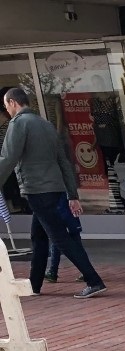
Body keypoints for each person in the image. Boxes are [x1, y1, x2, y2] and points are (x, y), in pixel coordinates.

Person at [0, 88, 106, 299]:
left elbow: (8, 158)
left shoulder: (19, 124)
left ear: (12, 103)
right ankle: (34, 285)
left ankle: (94, 280)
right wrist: (72, 194)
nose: (6, 110)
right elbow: (64, 162)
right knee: (38, 237)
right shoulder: (46, 125)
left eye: (5, 105)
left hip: (37, 188)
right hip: (54, 188)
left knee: (59, 237)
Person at [44, 194, 82, 284]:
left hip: (66, 209)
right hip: (61, 208)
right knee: (57, 239)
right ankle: (53, 271)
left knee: (73, 239)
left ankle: (86, 271)